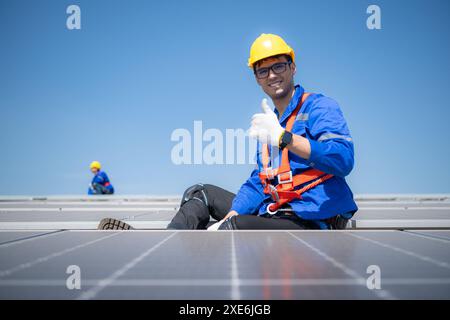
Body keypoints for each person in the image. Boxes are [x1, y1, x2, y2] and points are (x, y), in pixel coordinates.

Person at [98, 33, 357, 231]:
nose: (271, 75)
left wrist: (283, 137)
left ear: (293, 67)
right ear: (256, 77)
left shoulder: (319, 106)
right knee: (200, 193)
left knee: (233, 230)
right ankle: (167, 247)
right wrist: (234, 210)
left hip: (313, 221)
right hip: (275, 212)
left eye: (278, 66)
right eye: (263, 70)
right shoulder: (269, 124)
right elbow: (261, 182)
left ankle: (188, 250)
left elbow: (343, 159)